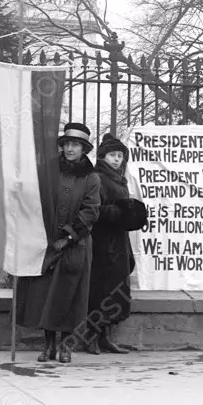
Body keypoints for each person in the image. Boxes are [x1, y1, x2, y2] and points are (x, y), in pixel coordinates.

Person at [14, 122, 101, 364]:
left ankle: (65, 346)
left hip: (76, 245)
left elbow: (91, 211)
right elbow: (34, 199)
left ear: (84, 149)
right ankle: (48, 344)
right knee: (44, 295)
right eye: (67, 144)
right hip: (47, 244)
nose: (70, 148)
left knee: (69, 297)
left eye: (76, 145)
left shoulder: (92, 178)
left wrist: (70, 236)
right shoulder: (47, 172)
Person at [84, 133, 148, 355]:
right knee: (99, 291)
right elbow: (94, 210)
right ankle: (91, 338)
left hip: (118, 243)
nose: (117, 159)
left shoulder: (119, 178)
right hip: (102, 244)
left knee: (115, 292)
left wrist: (131, 213)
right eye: (112, 155)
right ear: (103, 156)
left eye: (120, 155)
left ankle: (106, 338)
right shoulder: (98, 178)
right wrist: (119, 211)